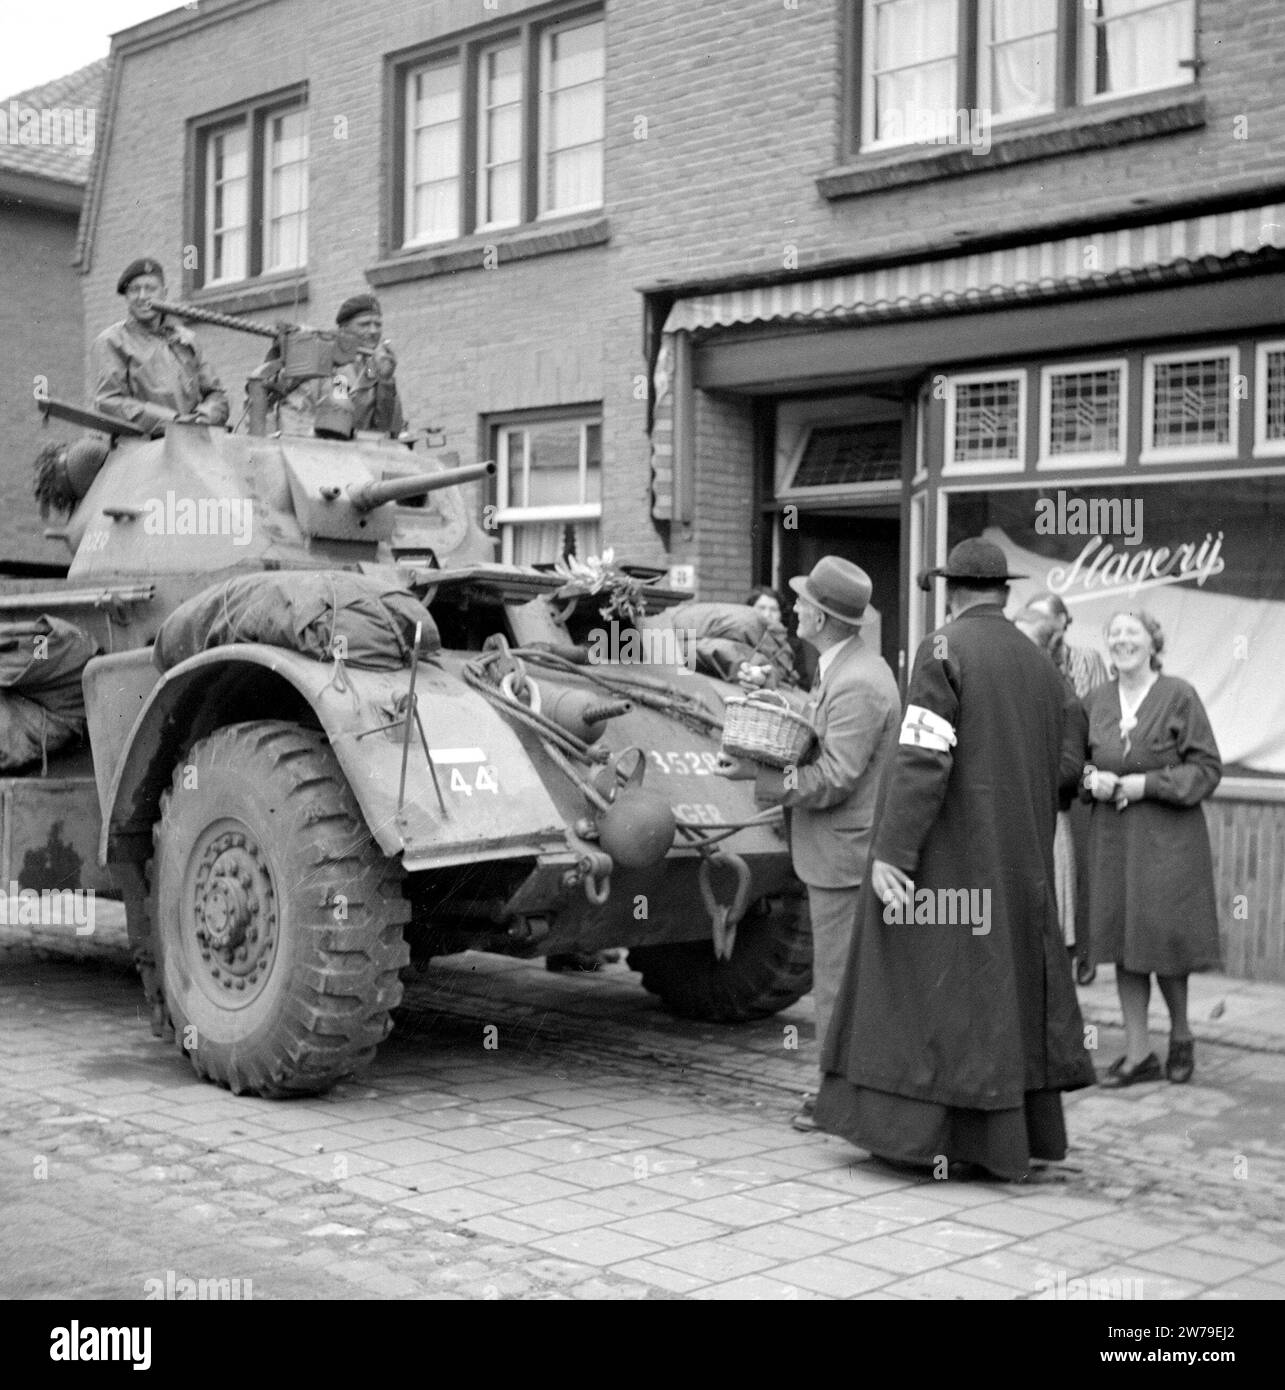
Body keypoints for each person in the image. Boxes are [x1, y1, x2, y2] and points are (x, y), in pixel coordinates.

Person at [815, 538, 1095, 1181]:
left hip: (950, 855)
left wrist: (893, 851)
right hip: (1019, 859)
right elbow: (1073, 750)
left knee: (929, 988)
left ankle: (919, 1135)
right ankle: (1006, 1138)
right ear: (1002, 592)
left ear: (950, 590)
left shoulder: (941, 649)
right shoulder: (1039, 661)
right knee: (1002, 989)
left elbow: (923, 756)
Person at [717, 557, 900, 1131]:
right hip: (839, 851)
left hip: (843, 856)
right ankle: (847, 1089)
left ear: (820, 617)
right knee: (841, 981)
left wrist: (762, 780)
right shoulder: (845, 669)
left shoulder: (856, 682)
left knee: (838, 984)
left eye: (801, 602)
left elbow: (836, 777)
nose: (793, 607)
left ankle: (835, 1097)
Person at [1082, 610, 1222, 1088]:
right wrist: (1089, 779)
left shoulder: (1179, 695)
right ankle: (1138, 1053)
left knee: (1165, 941)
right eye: (1114, 632)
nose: (1122, 640)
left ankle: (1181, 1035)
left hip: (1169, 843)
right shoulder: (1095, 701)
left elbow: (1206, 769)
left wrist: (1149, 784)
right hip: (1113, 842)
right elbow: (1073, 761)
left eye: (1132, 632)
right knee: (1123, 940)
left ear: (1152, 642)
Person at [1026, 590, 1107, 983]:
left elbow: (1095, 719)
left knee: (1081, 868)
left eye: (1046, 618)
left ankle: (1085, 954)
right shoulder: (1024, 658)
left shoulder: (1085, 660)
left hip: (1082, 773)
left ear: (1063, 623)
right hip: (1050, 780)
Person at [91, 258, 229, 435]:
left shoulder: (187, 339)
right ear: (126, 297)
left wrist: (203, 418)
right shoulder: (112, 341)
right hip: (140, 447)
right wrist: (172, 421)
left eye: (150, 288)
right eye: (134, 290)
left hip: (193, 442)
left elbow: (216, 394)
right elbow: (108, 401)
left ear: (164, 293)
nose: (142, 296)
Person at [271, 293, 406, 438]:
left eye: (378, 325)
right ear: (343, 329)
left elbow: (387, 430)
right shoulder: (320, 362)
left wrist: (386, 381)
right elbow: (295, 421)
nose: (373, 331)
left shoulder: (372, 367)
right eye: (364, 324)